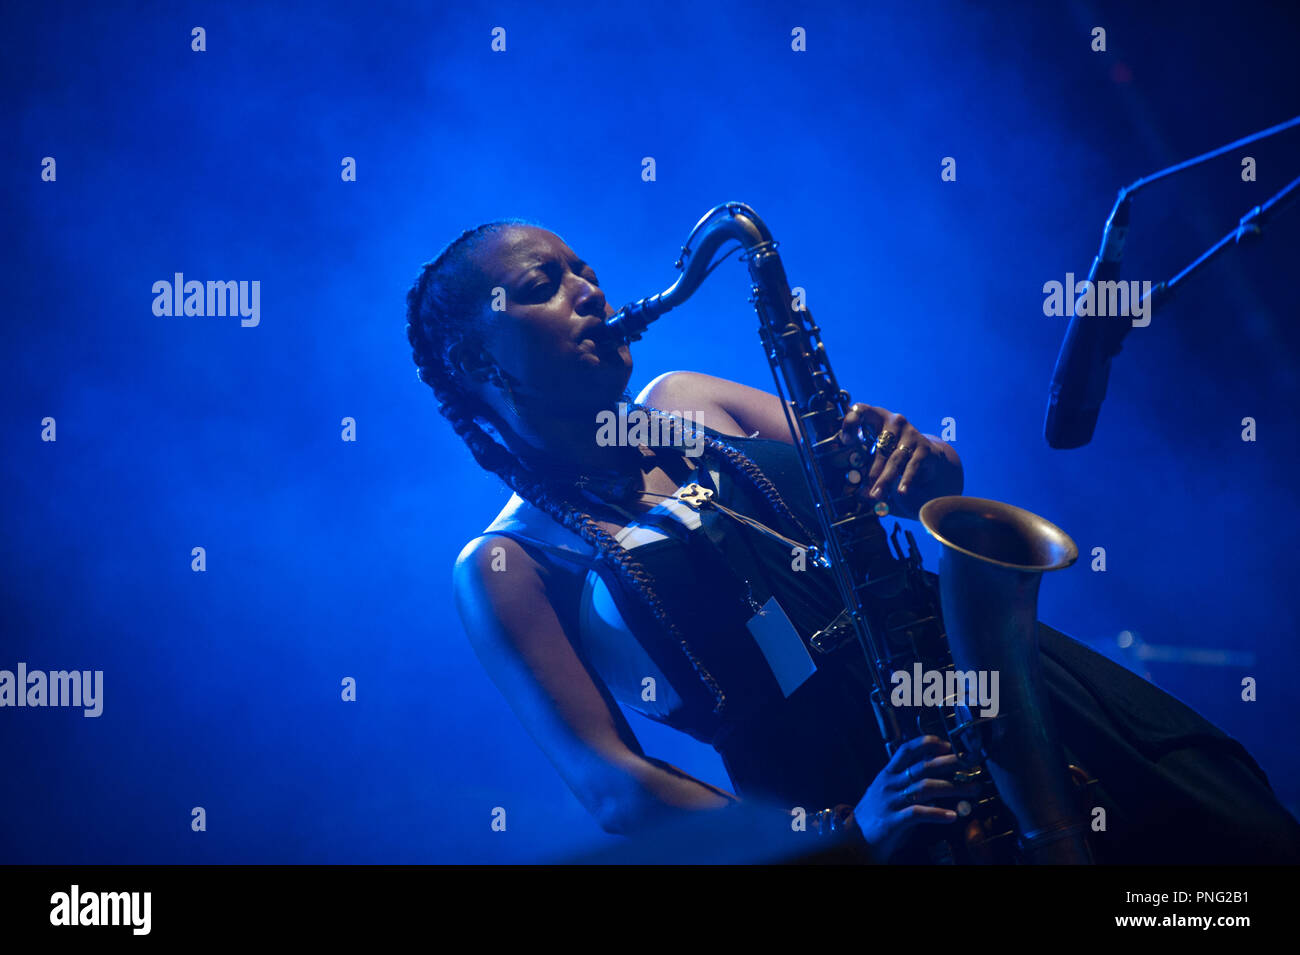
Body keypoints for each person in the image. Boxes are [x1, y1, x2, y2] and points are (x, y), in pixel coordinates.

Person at [404, 218, 1300, 864]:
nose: (588, 288)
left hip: (1021, 695)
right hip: (882, 809)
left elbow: (934, 491)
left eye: (581, 266)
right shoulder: (505, 567)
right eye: (541, 286)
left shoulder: (687, 398)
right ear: (476, 362)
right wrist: (838, 837)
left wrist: (924, 463)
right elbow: (616, 790)